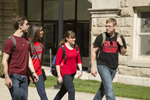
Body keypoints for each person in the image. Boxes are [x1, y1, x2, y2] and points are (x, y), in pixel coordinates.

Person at [2, 15, 39, 100]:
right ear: (20, 25)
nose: (28, 26)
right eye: (26, 24)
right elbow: (4, 60)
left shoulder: (26, 41)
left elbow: (29, 58)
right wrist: (7, 77)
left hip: (24, 76)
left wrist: (33, 73)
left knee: (23, 99)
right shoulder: (10, 41)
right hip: (13, 75)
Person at [91, 18, 127, 100]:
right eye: (106, 26)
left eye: (110, 26)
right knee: (109, 88)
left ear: (115, 26)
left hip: (113, 66)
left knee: (104, 87)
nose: (107, 28)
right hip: (102, 65)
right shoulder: (101, 37)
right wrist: (93, 67)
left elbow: (123, 52)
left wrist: (121, 44)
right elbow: (93, 52)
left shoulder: (119, 37)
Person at [54, 31, 82, 100]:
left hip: (73, 72)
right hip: (65, 72)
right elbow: (57, 63)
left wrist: (80, 70)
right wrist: (59, 75)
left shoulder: (76, 47)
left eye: (74, 38)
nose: (74, 39)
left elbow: (79, 60)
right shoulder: (62, 48)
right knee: (71, 91)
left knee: (63, 91)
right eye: (72, 38)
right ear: (67, 38)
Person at [28, 24, 48, 100]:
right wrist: (30, 75)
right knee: (21, 95)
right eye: (41, 30)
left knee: (43, 94)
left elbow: (39, 59)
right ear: (36, 31)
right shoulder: (28, 42)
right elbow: (26, 60)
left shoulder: (41, 44)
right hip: (27, 73)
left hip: (38, 72)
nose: (42, 32)